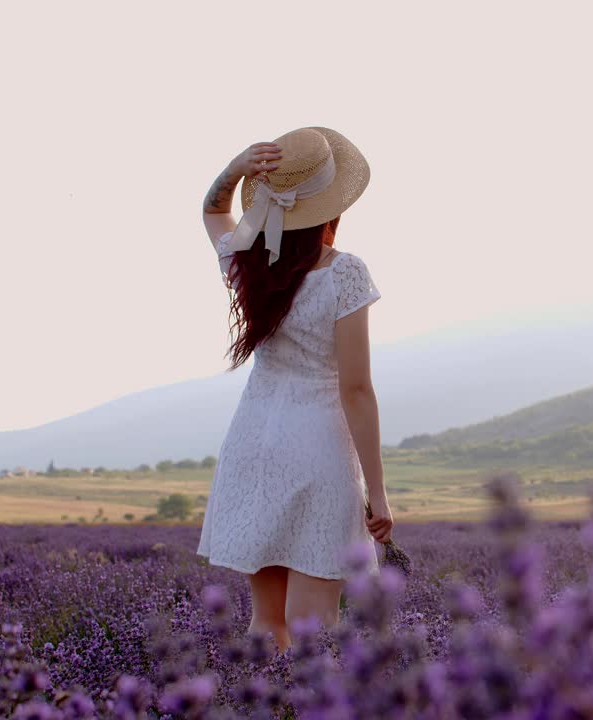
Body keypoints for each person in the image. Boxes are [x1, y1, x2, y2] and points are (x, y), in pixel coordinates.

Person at [196, 126, 393, 651]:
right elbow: (355, 390)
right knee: (313, 633)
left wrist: (236, 168)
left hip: (253, 446)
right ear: (332, 209)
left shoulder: (248, 262)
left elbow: (212, 211)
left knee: (267, 627)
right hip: (317, 454)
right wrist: (377, 492)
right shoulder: (344, 274)